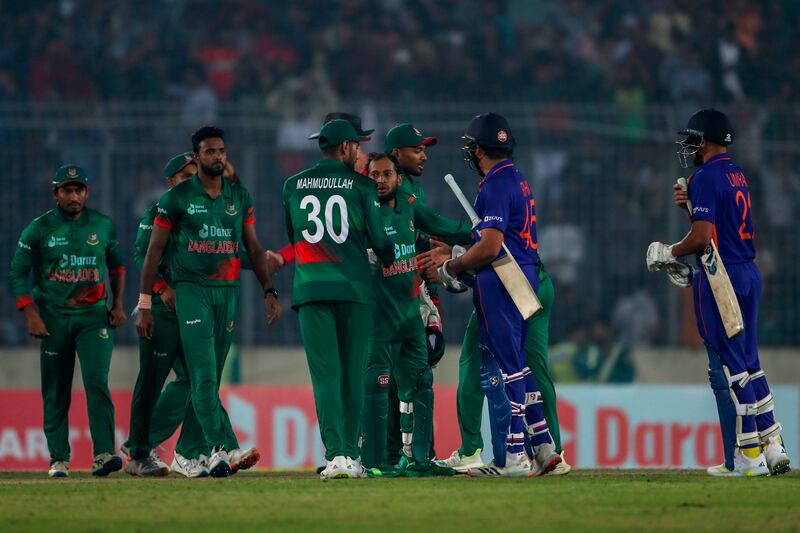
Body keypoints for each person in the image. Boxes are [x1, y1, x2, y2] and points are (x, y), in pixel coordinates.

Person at [647, 108, 790, 477]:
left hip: (721, 277)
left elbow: (703, 238)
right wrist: (691, 208)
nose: (689, 146)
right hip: (747, 271)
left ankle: (748, 456)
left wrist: (669, 252)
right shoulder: (736, 173)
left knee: (733, 367)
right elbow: (716, 227)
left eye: (693, 139)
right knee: (750, 361)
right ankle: (773, 446)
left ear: (706, 141)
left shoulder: (706, 176)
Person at [136, 126, 281, 477]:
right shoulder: (176, 199)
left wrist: (268, 290)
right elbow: (152, 252)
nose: (217, 156)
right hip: (192, 292)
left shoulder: (239, 197)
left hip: (227, 294)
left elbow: (252, 248)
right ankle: (226, 447)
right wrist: (144, 303)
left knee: (210, 379)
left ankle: (188, 455)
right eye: (209, 151)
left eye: (221, 150)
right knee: (201, 376)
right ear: (197, 156)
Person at [421, 113, 561, 476]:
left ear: (479, 149)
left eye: (471, 147)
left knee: (510, 366)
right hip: (527, 273)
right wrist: (460, 249)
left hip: (501, 280)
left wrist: (451, 266)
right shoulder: (517, 177)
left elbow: (490, 247)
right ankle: (543, 446)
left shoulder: (495, 184)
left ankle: (515, 455)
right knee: (521, 364)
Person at [282, 119, 394, 480]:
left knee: (325, 376)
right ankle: (350, 454)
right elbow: (380, 242)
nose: (360, 152)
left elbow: (295, 237)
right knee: (351, 375)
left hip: (311, 290)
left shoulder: (292, 185)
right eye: (358, 146)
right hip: (354, 290)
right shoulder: (363, 186)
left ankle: (336, 457)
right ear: (345, 148)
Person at [8, 165, 127, 478]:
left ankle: (104, 454)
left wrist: (118, 304)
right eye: (67, 190)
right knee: (56, 390)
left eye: (79, 190)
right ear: (55, 193)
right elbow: (16, 273)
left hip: (93, 318)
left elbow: (117, 267)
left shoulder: (102, 225)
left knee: (97, 382)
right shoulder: (39, 229)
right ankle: (59, 459)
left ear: (86, 192)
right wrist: (31, 313)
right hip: (53, 318)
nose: (74, 196)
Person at [360, 152, 471, 476]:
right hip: (377, 318)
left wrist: (479, 232)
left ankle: (421, 458)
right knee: (378, 385)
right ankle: (376, 461)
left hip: (410, 315)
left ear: (397, 178)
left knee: (422, 382)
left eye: (386, 174)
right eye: (374, 175)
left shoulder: (409, 206)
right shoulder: (361, 214)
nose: (380, 180)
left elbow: (441, 226)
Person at [383, 123, 443, 464]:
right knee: (387, 380)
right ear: (397, 154)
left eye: (424, 149)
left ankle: (419, 454)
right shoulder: (377, 192)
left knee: (417, 376)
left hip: (415, 295)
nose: (424, 155)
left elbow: (424, 246)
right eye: (417, 149)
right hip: (386, 299)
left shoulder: (415, 191)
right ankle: (386, 453)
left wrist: (434, 302)